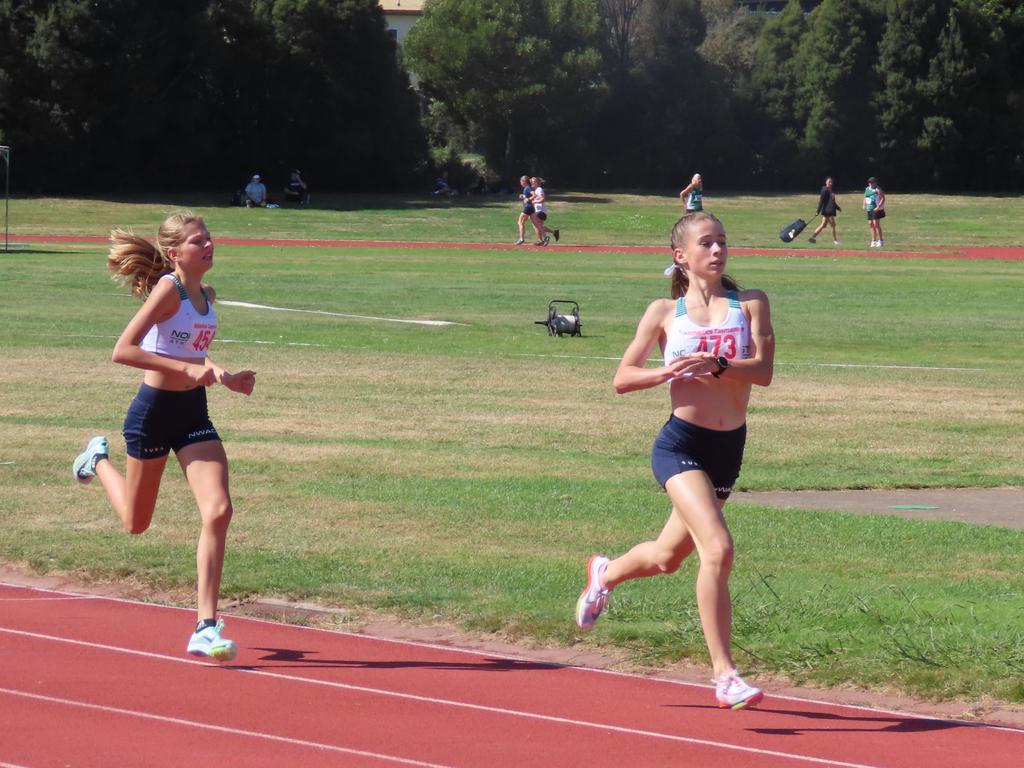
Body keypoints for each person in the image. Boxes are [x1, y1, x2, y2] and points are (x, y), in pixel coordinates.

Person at [575, 211, 775, 711]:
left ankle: (605, 572)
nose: (717, 250)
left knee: (668, 559)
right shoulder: (664, 312)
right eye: (706, 243)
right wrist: (667, 372)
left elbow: (765, 373)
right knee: (718, 550)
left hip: (728, 450)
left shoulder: (750, 304)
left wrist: (721, 364)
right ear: (681, 257)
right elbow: (622, 378)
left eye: (722, 242)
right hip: (679, 445)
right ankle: (725, 675)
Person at [72, 211, 256, 661]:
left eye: (210, 238)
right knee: (136, 523)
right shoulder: (168, 289)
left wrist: (225, 376)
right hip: (152, 414)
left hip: (193, 412)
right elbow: (124, 350)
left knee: (219, 510)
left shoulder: (206, 295)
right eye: (198, 241)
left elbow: (194, 350)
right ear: (175, 253)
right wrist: (188, 369)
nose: (209, 245)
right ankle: (96, 458)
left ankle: (205, 627)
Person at [808, 177, 841, 245]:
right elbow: (821, 201)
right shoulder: (824, 190)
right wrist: (818, 211)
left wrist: (837, 208)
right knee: (833, 225)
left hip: (829, 210)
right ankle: (835, 241)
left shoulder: (830, 191)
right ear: (826, 182)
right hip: (827, 211)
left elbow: (832, 202)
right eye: (829, 182)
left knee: (823, 225)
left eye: (831, 182)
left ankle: (812, 237)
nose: (830, 183)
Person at [529, 176, 560, 246]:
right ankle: (554, 233)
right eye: (531, 182)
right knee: (539, 226)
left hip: (540, 211)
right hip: (540, 210)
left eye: (533, 182)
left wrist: (535, 202)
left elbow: (543, 199)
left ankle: (543, 239)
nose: (532, 183)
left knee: (537, 226)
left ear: (537, 183)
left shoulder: (539, 189)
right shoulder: (536, 190)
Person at [863, 177, 886, 248]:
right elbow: (865, 197)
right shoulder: (867, 189)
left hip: (876, 209)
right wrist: (864, 204)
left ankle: (881, 241)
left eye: (872, 182)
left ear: (875, 182)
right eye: (869, 182)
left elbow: (883, 198)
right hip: (869, 209)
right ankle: (873, 241)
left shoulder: (877, 189)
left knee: (876, 224)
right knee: (870, 224)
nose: (871, 183)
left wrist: (878, 207)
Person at [515, 175, 534, 245]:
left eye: (521, 181)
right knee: (536, 224)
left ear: (524, 181)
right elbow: (528, 196)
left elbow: (534, 195)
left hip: (528, 208)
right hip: (530, 207)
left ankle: (521, 239)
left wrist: (528, 199)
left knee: (520, 222)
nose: (520, 183)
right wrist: (523, 196)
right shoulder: (526, 188)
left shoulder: (527, 188)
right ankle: (543, 239)